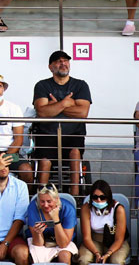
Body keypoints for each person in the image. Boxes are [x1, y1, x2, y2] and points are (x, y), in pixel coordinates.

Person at [32, 50, 93, 197]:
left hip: (73, 134)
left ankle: (75, 197)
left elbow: (83, 113)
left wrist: (57, 106)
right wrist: (67, 103)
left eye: (66, 61)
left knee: (75, 153)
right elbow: (42, 112)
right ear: (50, 67)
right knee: (45, 161)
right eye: (59, 61)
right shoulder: (42, 85)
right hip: (47, 134)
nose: (63, 63)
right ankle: (42, 196)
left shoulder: (80, 85)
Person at [77, 181, 130, 265]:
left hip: (115, 241)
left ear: (108, 197)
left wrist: (108, 254)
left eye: (102, 197)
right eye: (95, 197)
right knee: (84, 259)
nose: (98, 200)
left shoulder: (118, 209)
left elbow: (119, 239)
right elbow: (86, 237)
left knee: (117, 261)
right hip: (94, 240)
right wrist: (96, 253)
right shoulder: (86, 208)